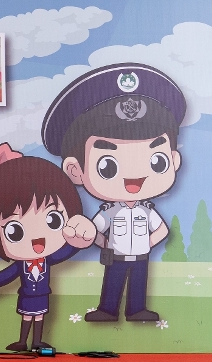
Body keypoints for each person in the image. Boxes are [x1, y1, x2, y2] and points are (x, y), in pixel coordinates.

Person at [42, 63, 185, 323]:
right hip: (116, 256)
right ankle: (107, 310)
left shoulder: (147, 211)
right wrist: (104, 243)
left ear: (173, 161)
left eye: (157, 161)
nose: (134, 178)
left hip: (141, 255)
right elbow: (93, 231)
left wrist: (147, 243)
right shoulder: (109, 211)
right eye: (107, 166)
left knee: (139, 282)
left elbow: (162, 230)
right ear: (76, 171)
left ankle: (137, 309)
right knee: (113, 281)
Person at [0, 143, 97, 351]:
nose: (37, 240)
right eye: (14, 231)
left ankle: (37, 342)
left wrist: (80, 240)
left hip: (41, 295)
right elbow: (8, 274)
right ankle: (22, 341)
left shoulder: (48, 259)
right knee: (26, 317)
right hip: (27, 295)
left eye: (53, 220)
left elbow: (67, 250)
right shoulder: (21, 264)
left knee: (39, 317)